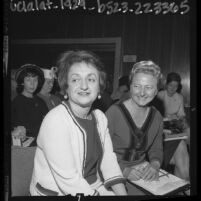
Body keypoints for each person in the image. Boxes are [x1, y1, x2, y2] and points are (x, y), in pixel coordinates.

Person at [30, 50, 127, 196]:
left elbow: (109, 161)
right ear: (66, 87)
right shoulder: (55, 120)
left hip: (92, 185)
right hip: (58, 191)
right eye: (75, 79)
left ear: (99, 88)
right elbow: (70, 183)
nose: (84, 86)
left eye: (91, 79)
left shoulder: (100, 117)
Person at [105, 61, 164, 195]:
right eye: (137, 86)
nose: (142, 93)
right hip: (112, 174)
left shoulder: (157, 117)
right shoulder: (113, 113)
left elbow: (157, 148)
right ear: (130, 87)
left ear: (157, 90)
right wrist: (124, 171)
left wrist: (155, 165)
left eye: (149, 87)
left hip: (142, 174)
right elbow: (99, 153)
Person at [11, 64, 48, 140]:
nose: (32, 84)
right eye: (28, 80)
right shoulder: (17, 102)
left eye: (35, 80)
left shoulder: (41, 102)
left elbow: (48, 123)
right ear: (22, 82)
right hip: (25, 145)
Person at [157, 72, 190, 146]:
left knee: (188, 130)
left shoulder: (180, 97)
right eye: (171, 85)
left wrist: (183, 122)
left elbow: (181, 114)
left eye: (176, 86)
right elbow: (155, 114)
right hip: (161, 124)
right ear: (166, 84)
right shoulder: (159, 95)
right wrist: (166, 116)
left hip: (174, 123)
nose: (173, 88)